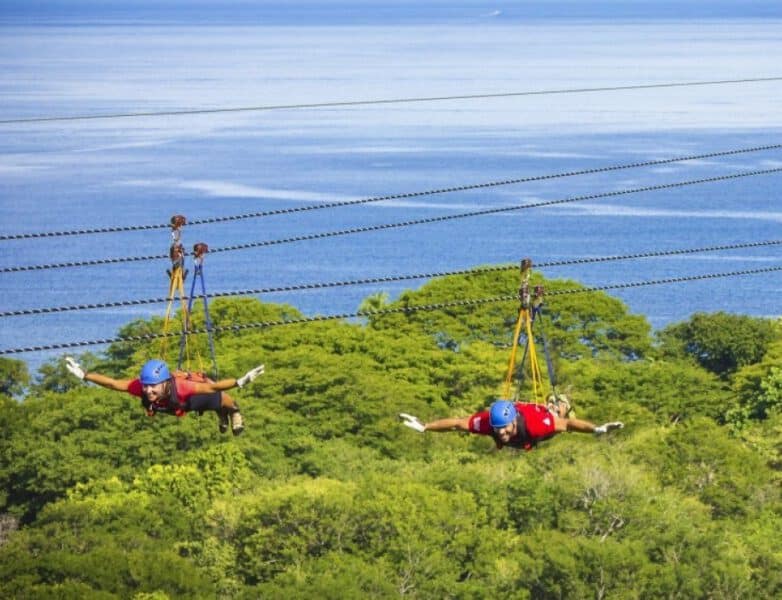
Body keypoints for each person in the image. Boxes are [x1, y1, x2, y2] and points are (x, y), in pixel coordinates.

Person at [65, 357, 264, 435]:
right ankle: (220, 413)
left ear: (165, 382)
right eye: (146, 387)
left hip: (186, 399)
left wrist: (240, 381)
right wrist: (85, 375)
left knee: (218, 397)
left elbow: (214, 388)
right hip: (177, 407)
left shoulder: (182, 386)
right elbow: (113, 383)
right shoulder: (139, 387)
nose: (148, 391)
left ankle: (232, 411)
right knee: (210, 401)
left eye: (153, 387)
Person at [399, 399, 623, 451]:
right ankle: (555, 403)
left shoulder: (539, 424)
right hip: (520, 415)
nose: (502, 433)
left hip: (534, 429)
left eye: (505, 428)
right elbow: (457, 423)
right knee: (553, 413)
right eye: (498, 429)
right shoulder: (488, 423)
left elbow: (569, 425)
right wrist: (426, 426)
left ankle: (559, 403)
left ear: (513, 421)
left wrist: (596, 429)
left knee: (556, 416)